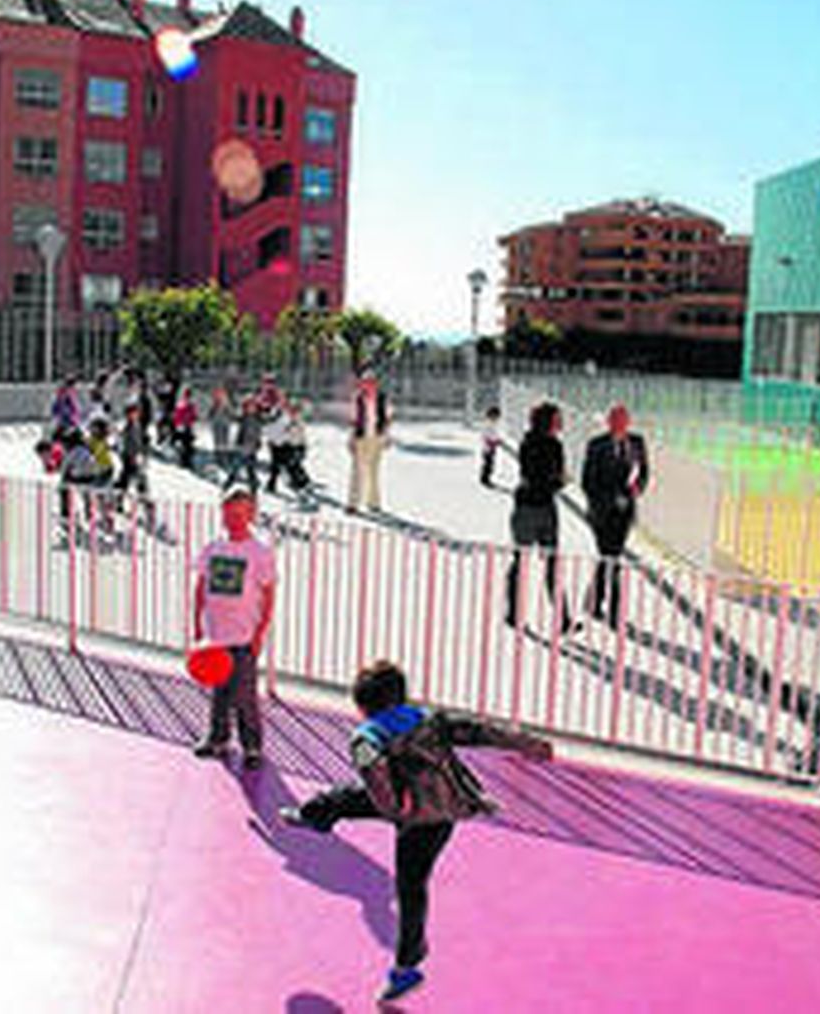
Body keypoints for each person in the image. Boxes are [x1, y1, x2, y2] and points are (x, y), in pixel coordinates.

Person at [279, 660, 553, 1003]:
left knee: (404, 878)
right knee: (351, 806)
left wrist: (396, 810)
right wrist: (529, 743)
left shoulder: (367, 737)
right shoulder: (430, 720)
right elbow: (480, 731)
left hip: (414, 817)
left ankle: (408, 966)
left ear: (361, 706)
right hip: (441, 811)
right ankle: (315, 815)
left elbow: (375, 780)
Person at [191, 487, 277, 770]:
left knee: (244, 694)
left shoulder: (259, 552)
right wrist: (197, 626)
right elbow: (201, 586)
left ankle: (252, 746)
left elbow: (268, 595)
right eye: (229, 513)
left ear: (251, 514)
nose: (233, 519)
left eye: (240, 513)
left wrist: (259, 633)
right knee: (219, 691)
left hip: (243, 635)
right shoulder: (213, 547)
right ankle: (218, 739)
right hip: (216, 635)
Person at [505, 401, 573, 632]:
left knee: (520, 562)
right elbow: (555, 479)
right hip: (544, 509)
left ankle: (513, 614)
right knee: (552, 563)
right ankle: (563, 619)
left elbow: (530, 474)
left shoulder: (526, 442)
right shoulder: (554, 446)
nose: (561, 423)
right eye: (557, 419)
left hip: (524, 506)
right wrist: (562, 481)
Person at [580, 404, 650, 627]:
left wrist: (636, 489)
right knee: (612, 560)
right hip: (601, 513)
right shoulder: (596, 445)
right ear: (609, 422)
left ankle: (594, 602)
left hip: (624, 513)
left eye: (623, 420)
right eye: (615, 420)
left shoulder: (637, 442)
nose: (619, 424)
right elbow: (587, 481)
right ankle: (613, 612)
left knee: (610, 558)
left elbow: (645, 472)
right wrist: (612, 498)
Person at [348, 369, 390, 513]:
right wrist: (351, 438)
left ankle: (373, 503)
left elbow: (386, 418)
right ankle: (353, 503)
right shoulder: (358, 398)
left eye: (371, 381)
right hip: (361, 436)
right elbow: (353, 419)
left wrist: (386, 436)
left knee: (373, 471)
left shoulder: (381, 397)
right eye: (365, 381)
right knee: (357, 471)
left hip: (376, 436)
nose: (368, 384)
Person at [226, 397, 263, 494]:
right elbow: (232, 417)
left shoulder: (258, 419)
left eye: (253, 407)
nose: (251, 409)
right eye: (248, 407)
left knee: (250, 469)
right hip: (242, 447)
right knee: (236, 467)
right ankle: (228, 484)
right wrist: (227, 406)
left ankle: (253, 488)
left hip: (251, 447)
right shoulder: (244, 418)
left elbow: (269, 420)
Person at [208, 385, 235, 481]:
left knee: (224, 443)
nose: (218, 396)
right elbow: (210, 415)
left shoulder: (226, 404)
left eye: (220, 394)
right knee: (217, 443)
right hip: (216, 426)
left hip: (224, 426)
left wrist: (228, 418)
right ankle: (218, 461)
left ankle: (224, 461)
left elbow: (231, 414)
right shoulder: (215, 404)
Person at [172, 387, 199, 469]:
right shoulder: (182, 403)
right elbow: (177, 415)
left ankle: (187, 461)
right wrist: (178, 424)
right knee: (184, 444)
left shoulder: (191, 404)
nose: (189, 397)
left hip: (188, 426)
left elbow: (194, 415)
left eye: (190, 395)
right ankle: (182, 461)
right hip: (182, 426)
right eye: (188, 395)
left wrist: (194, 418)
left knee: (189, 444)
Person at [479, 405, 503, 488]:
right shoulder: (488, 423)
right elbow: (486, 435)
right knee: (488, 464)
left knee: (490, 463)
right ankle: (485, 479)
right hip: (487, 447)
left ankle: (486, 478)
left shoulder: (493, 423)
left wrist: (497, 440)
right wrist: (493, 441)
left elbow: (494, 434)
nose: (497, 418)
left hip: (491, 447)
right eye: (495, 416)